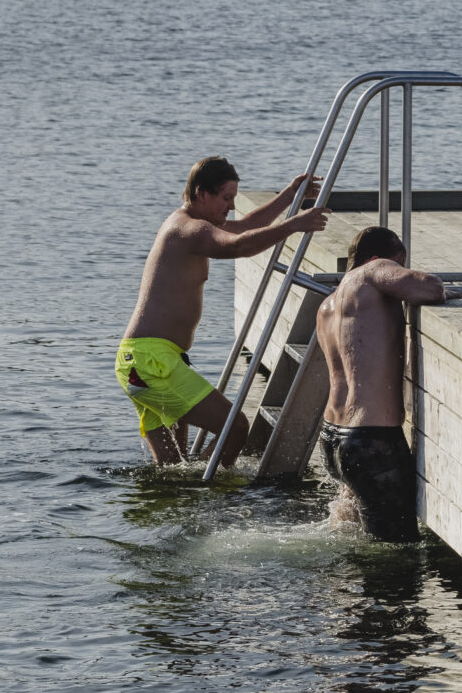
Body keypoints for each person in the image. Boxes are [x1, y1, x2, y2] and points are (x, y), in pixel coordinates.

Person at [117, 156, 329, 466]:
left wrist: (289, 195)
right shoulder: (190, 229)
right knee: (236, 428)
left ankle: (188, 498)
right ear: (202, 194)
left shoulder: (187, 223)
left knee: (174, 468)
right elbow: (238, 246)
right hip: (152, 363)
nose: (230, 206)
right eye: (226, 198)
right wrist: (293, 226)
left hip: (144, 361)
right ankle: (209, 495)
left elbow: (244, 227)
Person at [315, 225, 446, 541]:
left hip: (333, 438)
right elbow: (429, 287)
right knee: (396, 550)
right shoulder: (372, 271)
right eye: (398, 262)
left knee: (351, 537)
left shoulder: (328, 305)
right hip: (371, 441)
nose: (397, 269)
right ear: (376, 259)